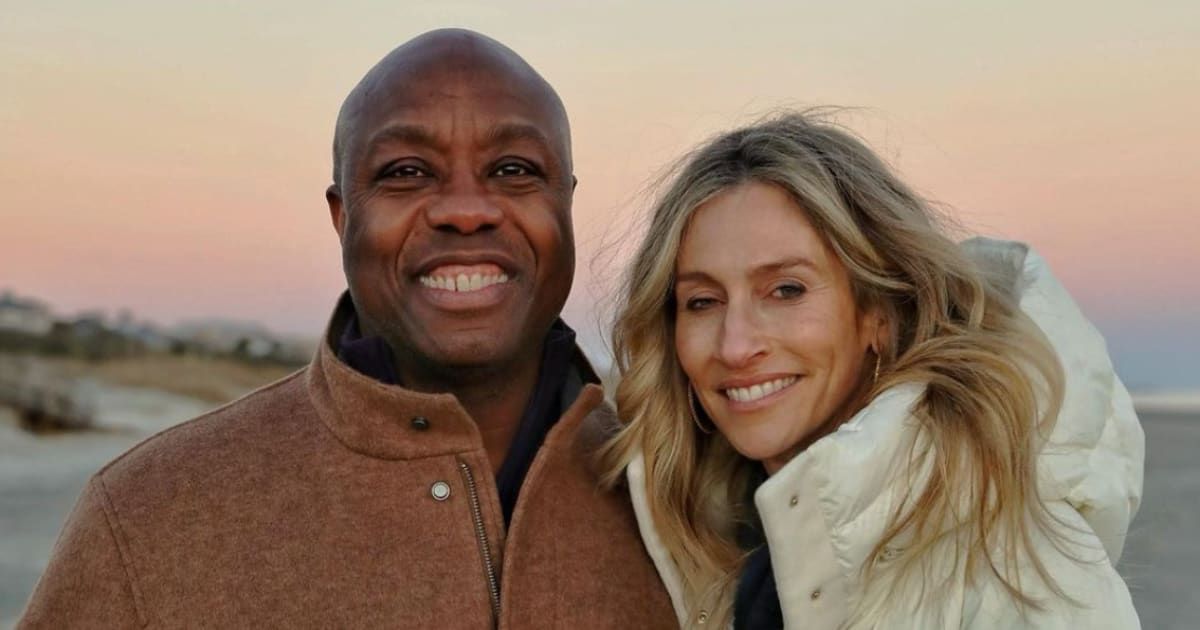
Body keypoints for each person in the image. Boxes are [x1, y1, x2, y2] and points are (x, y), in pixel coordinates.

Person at [18, 29, 676, 629]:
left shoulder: (687, 504)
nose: (465, 210)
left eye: (514, 170)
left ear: (566, 203)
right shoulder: (147, 515)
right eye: (406, 172)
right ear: (342, 218)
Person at [601, 111, 1143, 629]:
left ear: (879, 313)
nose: (736, 345)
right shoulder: (700, 544)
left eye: (786, 290)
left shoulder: (1018, 570)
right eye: (702, 301)